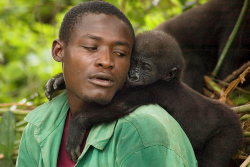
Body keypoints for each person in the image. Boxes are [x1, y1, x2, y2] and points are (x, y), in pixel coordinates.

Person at [16, 1, 197, 167]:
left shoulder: (142, 130)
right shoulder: (39, 125)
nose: (107, 61)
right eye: (91, 47)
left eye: (120, 53)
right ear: (58, 51)